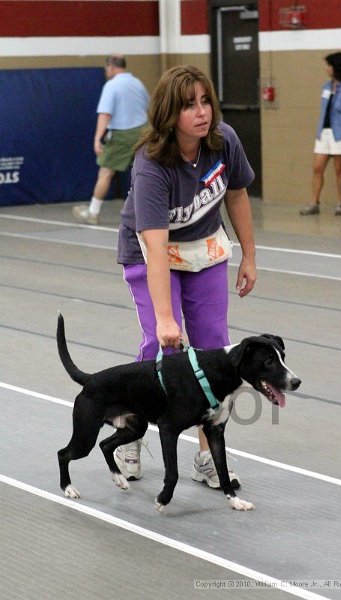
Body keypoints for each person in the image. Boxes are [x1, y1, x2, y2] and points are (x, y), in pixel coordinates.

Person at [114, 65, 257, 489]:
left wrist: (249, 254)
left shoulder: (224, 141)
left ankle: (207, 455)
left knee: (214, 349)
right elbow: (156, 249)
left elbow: (236, 194)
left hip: (204, 248)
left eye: (205, 101)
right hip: (152, 250)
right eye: (188, 105)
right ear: (168, 113)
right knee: (163, 350)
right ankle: (130, 432)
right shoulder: (151, 166)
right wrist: (164, 318)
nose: (201, 112)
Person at [72, 54, 149, 225]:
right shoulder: (138, 83)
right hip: (143, 132)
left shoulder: (111, 86)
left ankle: (92, 212)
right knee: (145, 172)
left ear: (111, 67)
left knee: (105, 172)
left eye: (107, 68)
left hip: (121, 134)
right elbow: (148, 107)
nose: (106, 71)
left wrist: (97, 138)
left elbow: (105, 114)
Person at [300, 52, 341, 216]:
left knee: (339, 169)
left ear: (337, 67)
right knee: (317, 168)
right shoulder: (327, 86)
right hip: (324, 133)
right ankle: (314, 203)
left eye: (329, 65)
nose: (326, 68)